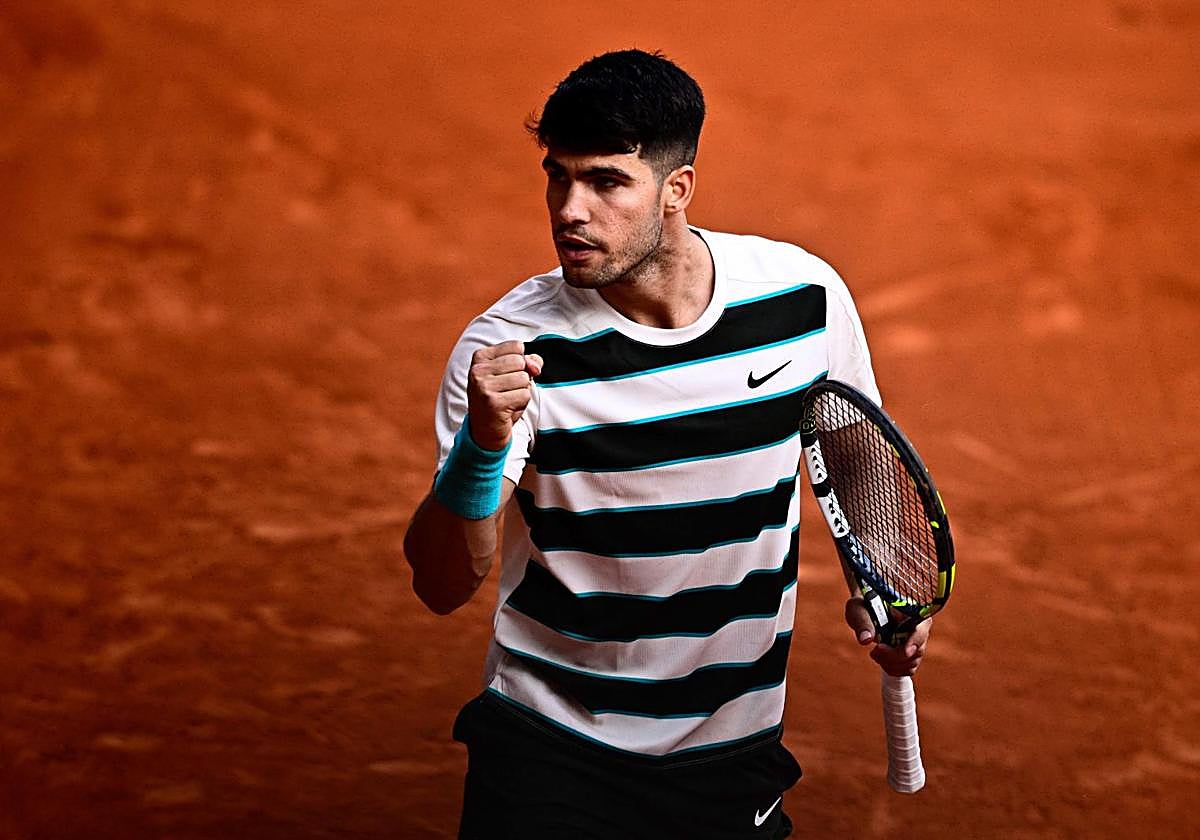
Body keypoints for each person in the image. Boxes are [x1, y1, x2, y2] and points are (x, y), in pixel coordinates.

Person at [403, 48, 931, 839]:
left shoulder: (803, 301)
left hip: (730, 752)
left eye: (606, 182)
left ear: (677, 188)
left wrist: (885, 579)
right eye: (558, 177)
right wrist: (482, 448)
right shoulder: (510, 351)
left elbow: (856, 452)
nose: (570, 210)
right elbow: (442, 583)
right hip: (552, 750)